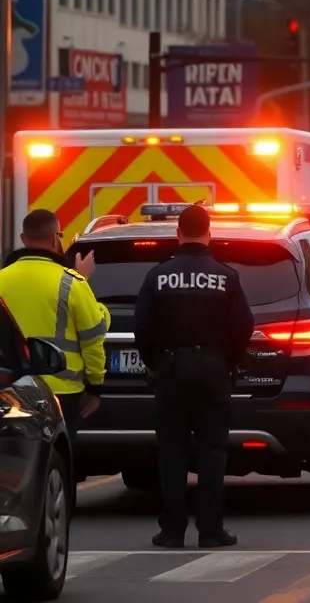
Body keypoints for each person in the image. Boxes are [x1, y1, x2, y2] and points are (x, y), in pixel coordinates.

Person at [133, 205, 254, 549]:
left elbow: (141, 326)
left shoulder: (158, 276)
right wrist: (226, 361)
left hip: (171, 370)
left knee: (171, 451)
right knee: (212, 451)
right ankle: (211, 531)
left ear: (178, 234)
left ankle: (172, 531)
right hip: (213, 370)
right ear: (209, 232)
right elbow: (244, 326)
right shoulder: (226, 276)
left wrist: (155, 363)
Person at [0, 209, 109, 437]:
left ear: (23, 238)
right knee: (57, 460)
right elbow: (94, 337)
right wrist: (95, 388)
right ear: (54, 238)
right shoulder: (72, 283)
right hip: (61, 391)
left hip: (9, 390)